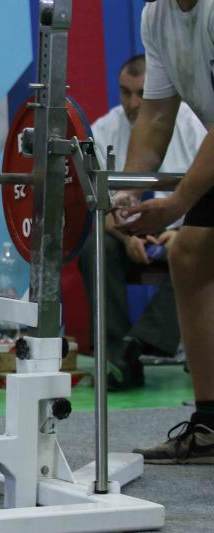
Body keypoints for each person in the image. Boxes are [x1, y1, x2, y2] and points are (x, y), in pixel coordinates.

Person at [115, 0, 214, 464]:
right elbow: (155, 116)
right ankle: (210, 426)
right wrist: (127, 192)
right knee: (189, 255)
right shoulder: (156, 15)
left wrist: (176, 203)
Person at [78, 54, 206, 391]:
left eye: (141, 93)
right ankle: (118, 359)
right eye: (126, 93)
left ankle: (138, 343)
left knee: (197, 248)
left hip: (182, 226)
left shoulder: (192, 125)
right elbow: (97, 208)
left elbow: (206, 192)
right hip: (128, 230)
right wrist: (126, 237)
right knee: (95, 248)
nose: (133, 103)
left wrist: (182, 233)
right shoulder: (103, 130)